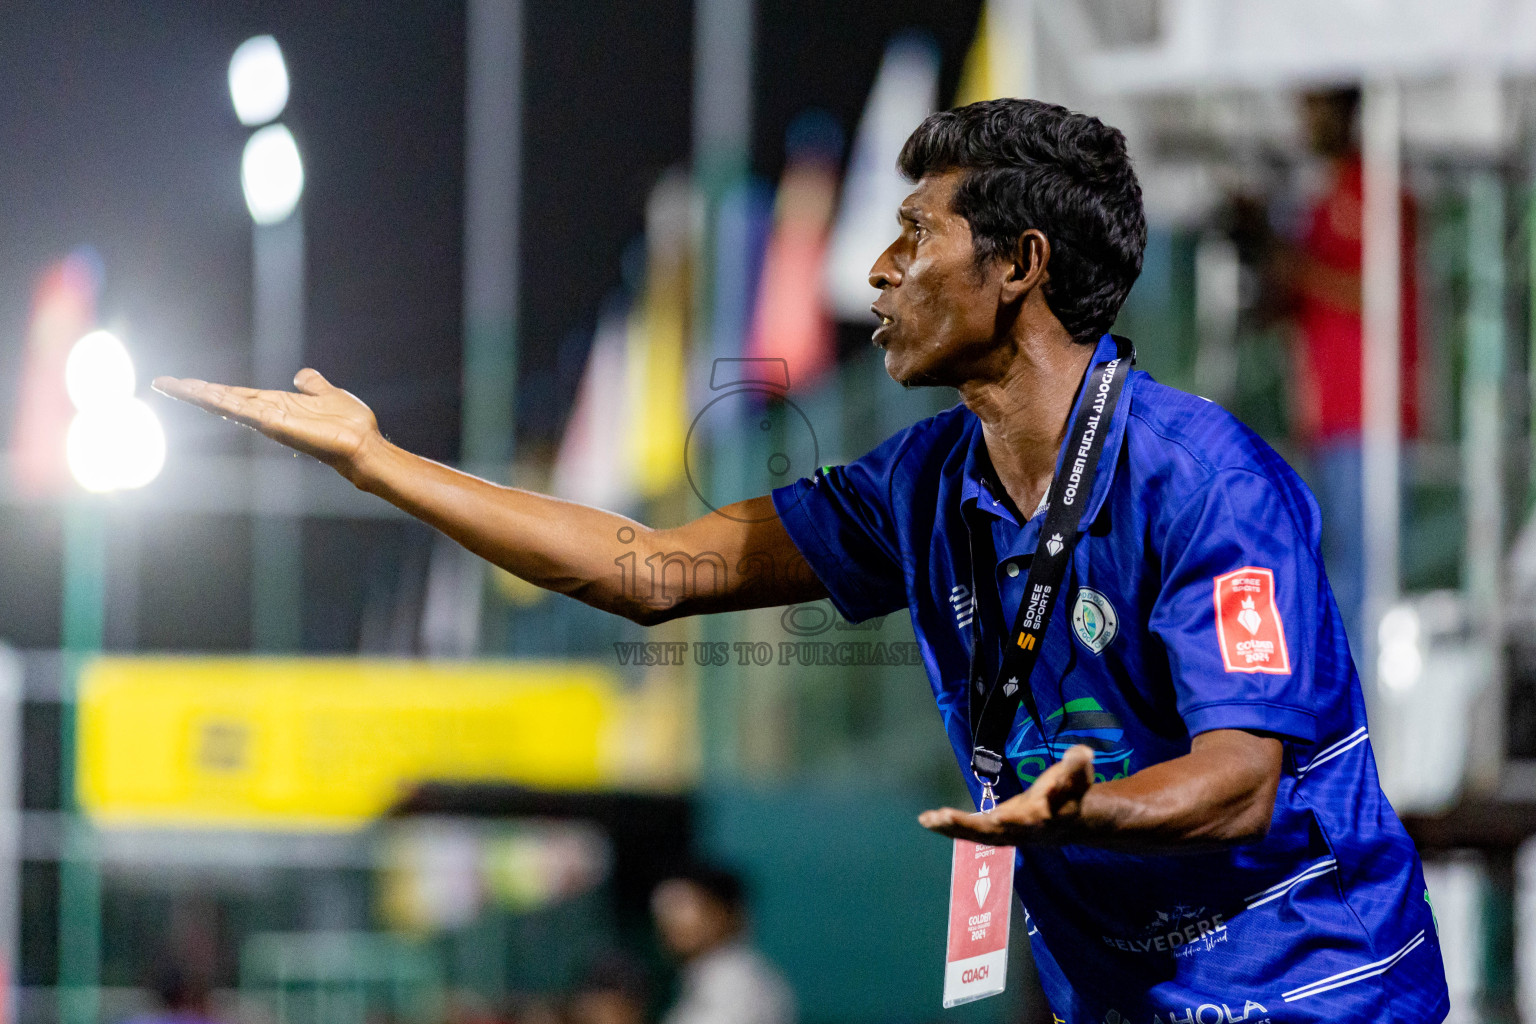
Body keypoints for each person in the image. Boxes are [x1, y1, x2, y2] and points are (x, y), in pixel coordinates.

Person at [155, 98, 1449, 1020]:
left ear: (1019, 268)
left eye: (914, 233)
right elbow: (648, 569)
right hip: (1118, 988)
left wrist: (1083, 809)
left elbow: (1236, 781)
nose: (877, 270)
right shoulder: (923, 482)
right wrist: (382, 462)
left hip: (1318, 982)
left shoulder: (1202, 476)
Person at [1278, 87, 1420, 648]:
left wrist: (1294, 266)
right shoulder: (1321, 196)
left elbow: (1375, 293)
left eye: (1316, 107)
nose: (1307, 121)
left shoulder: (1376, 189)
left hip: (1371, 415)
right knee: (1333, 578)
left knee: (1361, 582)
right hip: (1330, 415)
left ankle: (1359, 725)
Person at [649, 866, 795, 1024]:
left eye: (683, 905)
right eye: (665, 908)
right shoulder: (702, 978)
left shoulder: (738, 983)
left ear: (725, 913)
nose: (672, 919)